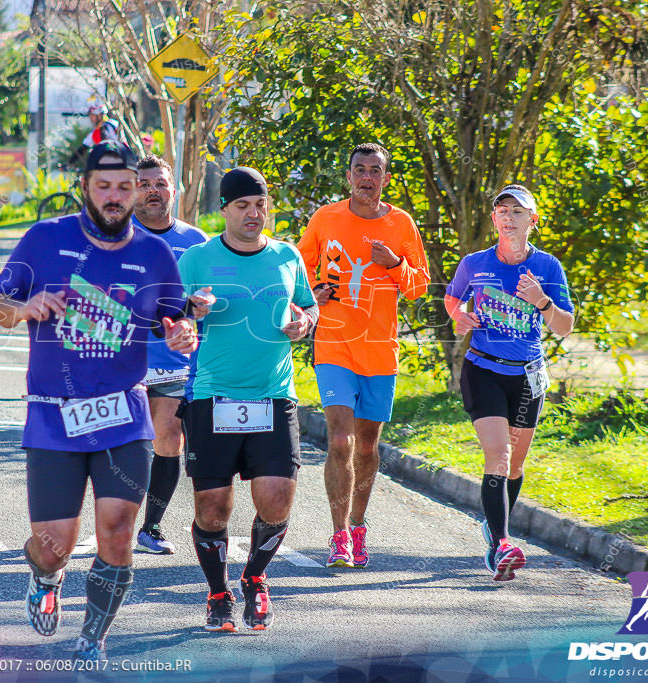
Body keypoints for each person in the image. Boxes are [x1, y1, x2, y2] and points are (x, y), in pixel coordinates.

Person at [0, 141, 197, 662]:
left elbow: (174, 318)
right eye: (105, 186)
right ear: (86, 187)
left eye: (127, 186)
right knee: (55, 540)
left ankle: (91, 641)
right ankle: (44, 575)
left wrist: (182, 334)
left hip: (124, 413)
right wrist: (24, 307)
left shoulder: (155, 253)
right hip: (54, 413)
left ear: (139, 190)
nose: (116, 196)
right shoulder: (44, 239)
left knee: (119, 531)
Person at [178, 167, 318, 632]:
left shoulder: (286, 255)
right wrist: (189, 311)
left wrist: (305, 323)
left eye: (260, 204)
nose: (254, 213)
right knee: (212, 508)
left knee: (277, 500)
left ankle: (255, 579)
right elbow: (167, 315)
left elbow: (307, 305)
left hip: (274, 394)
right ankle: (218, 593)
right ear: (224, 209)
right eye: (242, 205)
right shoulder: (197, 258)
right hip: (211, 395)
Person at [297, 143, 430, 569]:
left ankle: (358, 524)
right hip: (334, 344)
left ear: (385, 178)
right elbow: (297, 268)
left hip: (378, 351)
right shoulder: (326, 218)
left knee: (367, 449)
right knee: (340, 440)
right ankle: (338, 537)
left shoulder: (401, 224)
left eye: (375, 170)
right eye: (360, 169)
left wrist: (393, 264)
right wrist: (310, 294)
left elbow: (419, 287)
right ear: (349, 176)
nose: (367, 177)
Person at [444, 184, 574, 581]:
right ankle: (501, 543)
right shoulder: (474, 263)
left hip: (527, 375)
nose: (508, 216)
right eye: (502, 210)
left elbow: (566, 327)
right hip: (482, 368)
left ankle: (494, 529)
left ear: (532, 221)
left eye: (517, 211)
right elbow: (453, 299)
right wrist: (460, 317)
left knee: (515, 465)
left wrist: (542, 301)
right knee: (498, 457)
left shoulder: (548, 267)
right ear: (494, 218)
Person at [130, 154, 208, 554]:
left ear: (173, 190)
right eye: (144, 184)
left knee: (168, 439)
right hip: (121, 360)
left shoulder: (195, 241)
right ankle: (111, 518)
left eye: (160, 183)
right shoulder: (115, 235)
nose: (153, 191)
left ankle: (152, 527)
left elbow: (209, 294)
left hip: (174, 360)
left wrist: (200, 308)